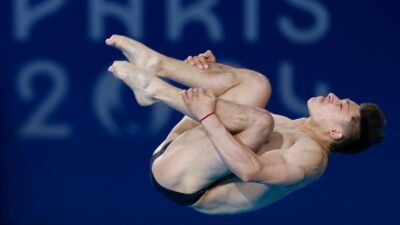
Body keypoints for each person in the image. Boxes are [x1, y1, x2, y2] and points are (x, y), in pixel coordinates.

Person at [105, 35, 385, 215]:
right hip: (180, 149)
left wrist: (206, 116)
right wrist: (212, 72)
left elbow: (250, 170)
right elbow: (234, 109)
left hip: (184, 182)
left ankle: (158, 91)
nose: (334, 97)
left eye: (342, 106)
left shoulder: (311, 159)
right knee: (257, 84)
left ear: (335, 133)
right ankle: (158, 66)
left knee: (259, 121)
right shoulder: (298, 125)